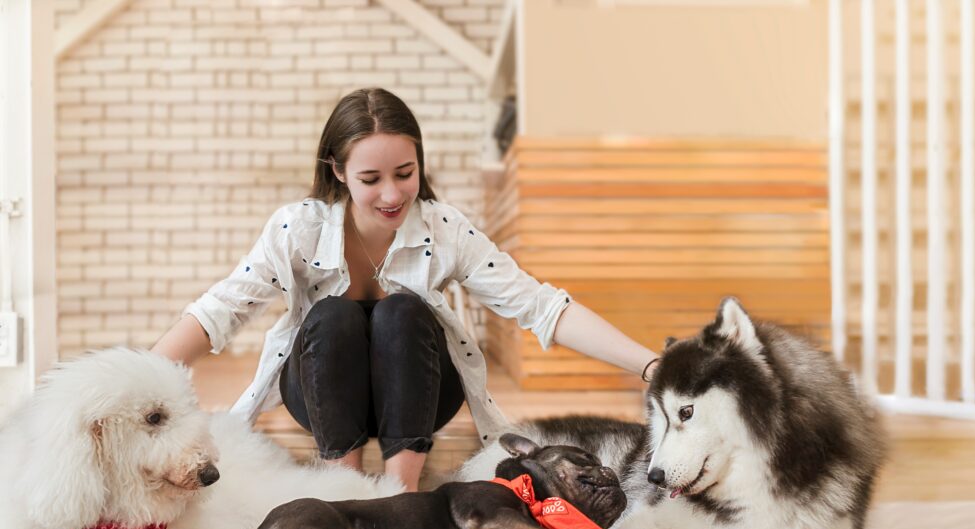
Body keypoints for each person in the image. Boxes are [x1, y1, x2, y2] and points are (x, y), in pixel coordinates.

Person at [153, 88, 659, 492]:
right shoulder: (298, 228)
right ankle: (344, 489)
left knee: (401, 312)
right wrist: (133, 384)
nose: (392, 194)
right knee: (333, 317)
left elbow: (542, 307)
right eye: (371, 178)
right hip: (324, 395)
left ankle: (400, 497)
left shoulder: (443, 228)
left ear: (420, 162)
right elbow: (220, 310)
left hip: (419, 394)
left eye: (405, 173)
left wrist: (651, 366)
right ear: (338, 172)